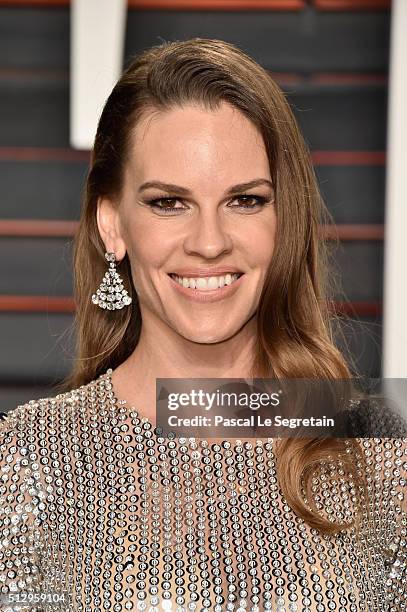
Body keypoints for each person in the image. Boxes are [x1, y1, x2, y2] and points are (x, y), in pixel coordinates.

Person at [0, 38, 405, 612]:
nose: (210, 242)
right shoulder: (28, 464)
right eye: (169, 202)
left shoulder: (376, 456)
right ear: (111, 223)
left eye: (245, 200)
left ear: (282, 219)